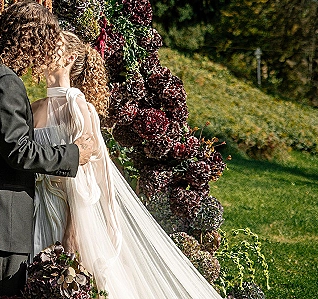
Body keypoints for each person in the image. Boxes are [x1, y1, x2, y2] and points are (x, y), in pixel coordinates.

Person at [31, 31, 224, 298]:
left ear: (70, 58)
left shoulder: (77, 107)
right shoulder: (34, 106)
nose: (43, 50)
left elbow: (86, 179)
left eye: (53, 47)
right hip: (38, 207)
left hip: (67, 212)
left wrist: (73, 231)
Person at [0, 2, 94, 299]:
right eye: (43, 44)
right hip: (3, 216)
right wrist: (73, 153)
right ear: (31, 41)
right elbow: (19, 151)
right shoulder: (5, 81)